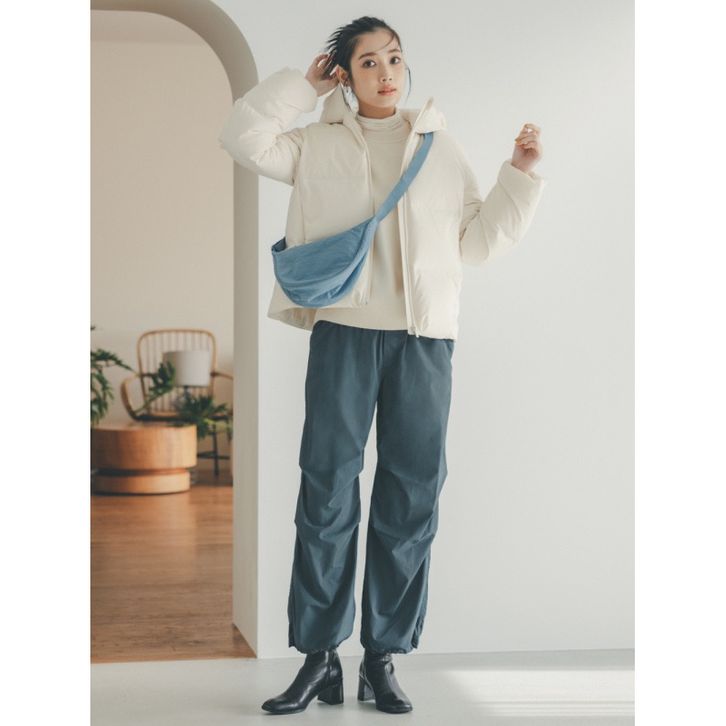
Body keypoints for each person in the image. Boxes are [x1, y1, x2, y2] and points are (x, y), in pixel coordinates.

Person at [218, 16, 546, 716]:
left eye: (393, 58)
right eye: (367, 61)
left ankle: (381, 659)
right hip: (343, 334)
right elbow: (242, 138)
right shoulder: (314, 144)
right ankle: (317, 659)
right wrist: (303, 88)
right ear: (344, 74)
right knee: (326, 493)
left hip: (424, 342)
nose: (386, 72)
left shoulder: (439, 148)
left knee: (411, 497)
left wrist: (518, 177)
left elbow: (476, 245)